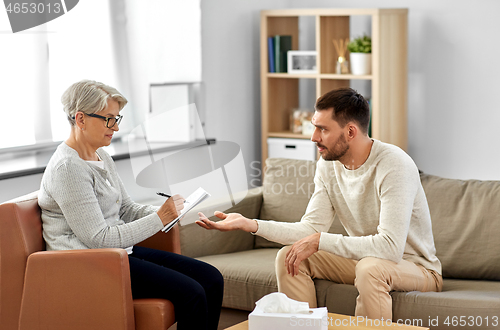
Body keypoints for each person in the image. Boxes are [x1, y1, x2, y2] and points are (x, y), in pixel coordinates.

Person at [197, 87, 442, 321]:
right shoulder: (328, 165)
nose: (314, 138)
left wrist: (320, 240)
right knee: (290, 257)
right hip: (366, 260)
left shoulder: (394, 164)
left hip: (416, 267)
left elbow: (389, 248)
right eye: (315, 127)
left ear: (350, 132)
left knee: (370, 269)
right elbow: (309, 230)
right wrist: (250, 224)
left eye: (323, 129)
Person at [38, 79, 223, 330]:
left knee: (211, 278)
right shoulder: (68, 168)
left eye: (117, 118)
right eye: (108, 119)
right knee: (192, 293)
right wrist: (159, 218)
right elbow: (99, 238)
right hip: (87, 263)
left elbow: (125, 208)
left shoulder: (100, 155)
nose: (114, 127)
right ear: (80, 119)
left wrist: (170, 212)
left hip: (116, 254)